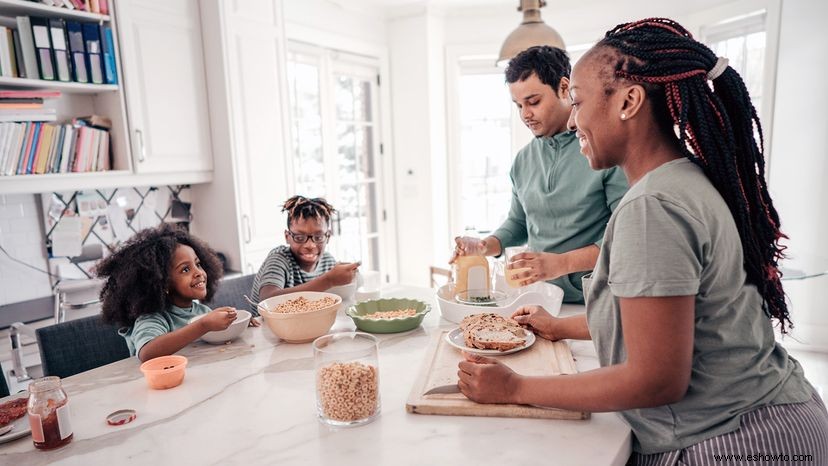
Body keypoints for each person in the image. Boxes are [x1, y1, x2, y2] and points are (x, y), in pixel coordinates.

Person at [457, 18, 827, 463]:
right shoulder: (679, 180)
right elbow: (661, 322)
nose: (573, 119)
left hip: (739, 440)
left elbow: (655, 379)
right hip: (769, 419)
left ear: (629, 102)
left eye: (577, 101)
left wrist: (515, 389)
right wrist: (558, 326)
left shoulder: (651, 209)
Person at [452, 45, 627, 303]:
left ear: (565, 88)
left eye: (533, 102)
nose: (525, 114)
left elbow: (624, 238)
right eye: (518, 105)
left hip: (595, 301)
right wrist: (483, 246)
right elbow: (519, 223)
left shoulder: (602, 151)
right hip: (538, 298)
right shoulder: (523, 160)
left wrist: (561, 263)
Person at [97, 223, 250, 362]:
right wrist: (203, 325)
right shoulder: (153, 318)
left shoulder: (201, 312)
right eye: (185, 269)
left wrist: (234, 324)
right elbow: (147, 353)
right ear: (162, 283)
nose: (198, 273)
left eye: (198, 264)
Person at [249, 196, 359, 313]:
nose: (310, 245)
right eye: (300, 237)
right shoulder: (279, 259)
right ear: (287, 237)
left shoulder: (328, 261)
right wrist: (328, 280)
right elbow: (267, 300)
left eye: (318, 237)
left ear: (328, 237)